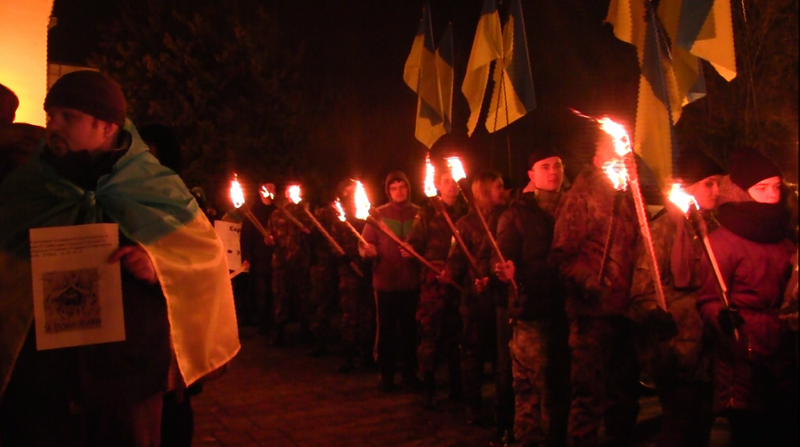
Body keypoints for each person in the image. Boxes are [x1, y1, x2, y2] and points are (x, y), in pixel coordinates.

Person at [0, 70, 239, 446]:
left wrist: (157, 262)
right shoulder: (29, 185)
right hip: (43, 381)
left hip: (127, 379)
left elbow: (203, 254)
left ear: (106, 126)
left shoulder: (156, 187)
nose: (53, 126)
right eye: (51, 115)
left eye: (68, 117)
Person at [696, 150, 798, 447]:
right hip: (743, 354)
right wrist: (722, 317)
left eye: (776, 187)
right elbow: (707, 299)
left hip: (783, 351)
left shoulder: (784, 236)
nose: (771, 195)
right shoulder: (723, 241)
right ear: (742, 192)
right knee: (749, 433)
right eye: (762, 188)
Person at [628, 149, 726, 447]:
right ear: (688, 187)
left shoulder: (714, 230)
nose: (717, 190)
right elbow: (641, 292)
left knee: (702, 427)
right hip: (676, 351)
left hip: (710, 350)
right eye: (708, 183)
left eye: (718, 182)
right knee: (679, 429)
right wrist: (655, 317)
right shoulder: (662, 229)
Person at [549, 130, 640, 447]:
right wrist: (590, 282)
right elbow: (561, 256)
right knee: (589, 395)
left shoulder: (630, 199)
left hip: (625, 311)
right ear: (599, 159)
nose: (624, 161)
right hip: (591, 315)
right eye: (617, 156)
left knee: (624, 394)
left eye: (626, 157)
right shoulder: (580, 197)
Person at [494, 149, 570, 447]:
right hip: (531, 313)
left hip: (568, 312)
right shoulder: (516, 214)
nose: (553, 172)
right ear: (532, 174)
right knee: (530, 389)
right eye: (545, 166)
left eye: (558, 165)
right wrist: (505, 269)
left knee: (561, 387)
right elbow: (501, 255)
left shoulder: (574, 207)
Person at [408, 158, 469, 409]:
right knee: (430, 333)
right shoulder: (428, 211)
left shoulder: (467, 212)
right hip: (434, 283)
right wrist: (418, 257)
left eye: (455, 181)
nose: (452, 185)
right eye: (446, 181)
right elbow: (414, 244)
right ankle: (429, 386)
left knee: (458, 334)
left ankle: (457, 386)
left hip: (460, 281)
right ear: (438, 185)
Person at [445, 171, 503, 425]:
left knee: (500, 355)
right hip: (475, 300)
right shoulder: (466, 223)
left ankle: (503, 406)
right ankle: (473, 404)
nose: (503, 191)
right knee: (473, 353)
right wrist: (449, 273)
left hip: (500, 300)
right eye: (498, 187)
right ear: (484, 191)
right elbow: (456, 258)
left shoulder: (505, 217)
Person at [360, 171, 421, 392]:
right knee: (386, 330)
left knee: (409, 331)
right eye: (393, 188)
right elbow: (364, 244)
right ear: (388, 191)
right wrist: (368, 250)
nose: (398, 191)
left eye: (402, 186)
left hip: (412, 283)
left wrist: (416, 253)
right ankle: (385, 375)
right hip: (386, 283)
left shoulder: (419, 214)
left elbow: (426, 243)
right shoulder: (378, 215)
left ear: (408, 188)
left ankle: (408, 373)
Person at [330, 179, 376, 372]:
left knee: (367, 313)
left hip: (367, 269)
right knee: (350, 314)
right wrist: (345, 258)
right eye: (347, 191)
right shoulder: (340, 218)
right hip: (349, 272)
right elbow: (334, 244)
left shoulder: (366, 214)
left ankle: (366, 355)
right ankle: (347, 356)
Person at [266, 184, 312, 346]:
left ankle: (306, 332)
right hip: (281, 262)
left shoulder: (305, 213)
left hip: (300, 262)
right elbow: (269, 235)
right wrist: (269, 240)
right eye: (289, 190)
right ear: (285, 193)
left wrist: (308, 231)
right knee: (280, 297)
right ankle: (279, 333)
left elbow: (313, 233)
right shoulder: (276, 214)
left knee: (303, 297)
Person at [240, 183, 277, 334]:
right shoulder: (252, 212)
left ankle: (275, 324)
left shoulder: (277, 211)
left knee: (274, 293)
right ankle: (264, 325)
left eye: (273, 188)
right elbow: (245, 237)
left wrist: (275, 240)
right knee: (261, 293)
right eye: (267, 187)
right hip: (259, 258)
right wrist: (246, 257)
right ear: (260, 191)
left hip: (275, 259)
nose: (270, 190)